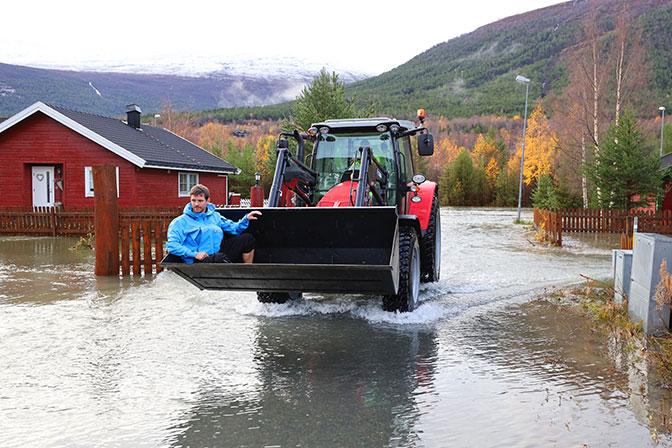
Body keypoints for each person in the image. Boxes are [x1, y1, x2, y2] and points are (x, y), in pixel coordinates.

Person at [166, 184, 261, 264]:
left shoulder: (215, 216)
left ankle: (247, 271)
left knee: (247, 239)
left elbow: (234, 229)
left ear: (207, 201)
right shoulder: (180, 222)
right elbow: (172, 246)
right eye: (193, 200)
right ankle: (234, 279)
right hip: (197, 259)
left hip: (217, 252)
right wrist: (194, 254)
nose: (196, 204)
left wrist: (246, 219)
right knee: (220, 259)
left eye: (200, 201)